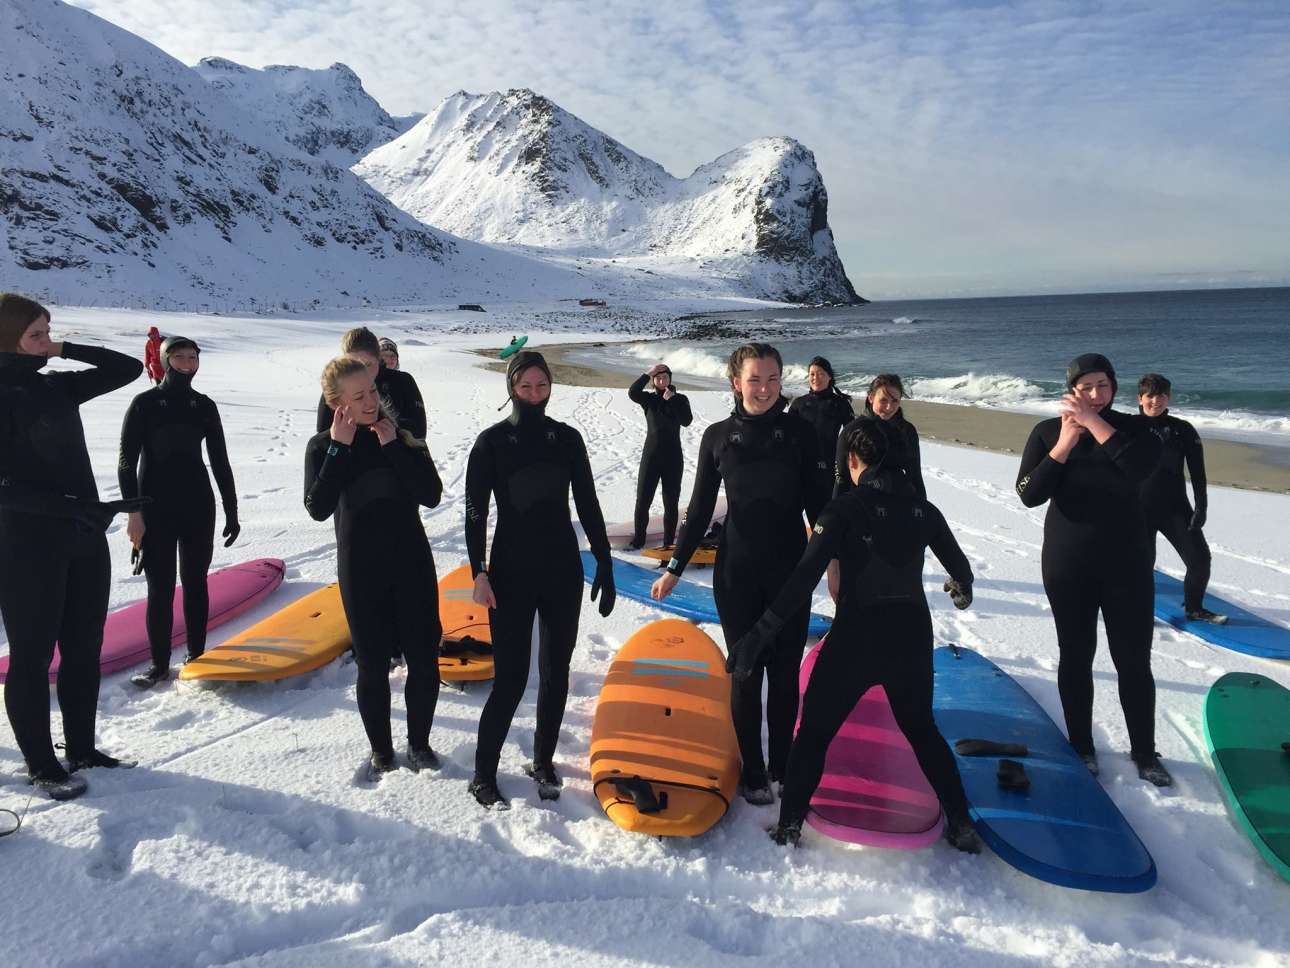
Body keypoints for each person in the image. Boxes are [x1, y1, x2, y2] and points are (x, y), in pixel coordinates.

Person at [730, 419, 981, 852]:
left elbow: (801, 581)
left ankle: (789, 828)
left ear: (851, 460)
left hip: (857, 637)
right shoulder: (925, 510)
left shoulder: (843, 510)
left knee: (814, 735)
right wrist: (961, 590)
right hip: (911, 638)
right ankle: (961, 824)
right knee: (922, 730)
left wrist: (757, 636)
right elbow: (962, 571)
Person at [651, 342, 828, 804]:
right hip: (736, 572)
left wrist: (834, 560)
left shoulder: (801, 434)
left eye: (772, 379)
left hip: (790, 572)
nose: (764, 388)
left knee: (785, 673)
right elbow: (698, 510)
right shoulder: (717, 437)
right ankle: (753, 769)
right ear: (736, 382)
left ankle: (782, 765)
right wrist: (675, 567)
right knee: (745, 672)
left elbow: (820, 509)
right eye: (754, 379)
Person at [0, 293, 146, 801]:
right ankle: (41, 765)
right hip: (26, 547)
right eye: (35, 334)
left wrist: (61, 347)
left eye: (49, 331)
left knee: (84, 649)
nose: (47, 341)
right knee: (32, 656)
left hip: (83, 536)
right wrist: (71, 507)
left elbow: (127, 368)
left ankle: (82, 749)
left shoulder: (56, 387)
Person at [464, 350, 616, 807]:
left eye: (542, 385)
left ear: (551, 386)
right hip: (510, 571)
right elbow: (475, 513)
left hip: (562, 569)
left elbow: (587, 502)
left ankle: (543, 760)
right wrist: (478, 572)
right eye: (525, 385)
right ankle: (482, 774)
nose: (534, 393)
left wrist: (604, 560)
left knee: (555, 673)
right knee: (510, 679)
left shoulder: (567, 439)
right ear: (511, 387)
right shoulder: (491, 442)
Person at [1016, 353, 1171, 786]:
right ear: (1071, 389)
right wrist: (1064, 444)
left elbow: (1137, 469)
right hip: (1068, 564)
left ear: (1115, 387)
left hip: (1128, 564)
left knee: (1133, 660)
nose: (1096, 394)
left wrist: (1093, 423)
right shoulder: (1047, 431)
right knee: (1076, 655)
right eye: (1085, 387)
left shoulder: (1138, 430)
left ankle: (1145, 753)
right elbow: (1028, 493)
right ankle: (1082, 747)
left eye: (1103, 385)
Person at [304, 356, 445, 781]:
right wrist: (339, 447)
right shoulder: (322, 446)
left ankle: (419, 745)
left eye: (372, 391)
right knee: (372, 663)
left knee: (424, 658)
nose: (370, 402)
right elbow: (317, 507)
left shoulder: (402, 436)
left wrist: (393, 447)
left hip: (411, 562)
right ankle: (382, 751)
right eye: (358, 396)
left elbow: (431, 494)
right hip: (361, 568)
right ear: (337, 403)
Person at [119, 337, 240, 687]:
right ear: (164, 360)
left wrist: (231, 509)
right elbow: (126, 464)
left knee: (196, 583)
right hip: (154, 508)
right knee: (160, 588)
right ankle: (158, 665)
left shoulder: (203, 405)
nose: (187, 363)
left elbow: (220, 461)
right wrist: (134, 514)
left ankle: (196, 656)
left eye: (192, 357)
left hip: (198, 504)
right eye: (179, 357)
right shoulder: (145, 404)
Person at [1137, 373, 1224, 624]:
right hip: (1136, 509)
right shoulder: (1127, 427)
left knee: (1200, 560)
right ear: (1140, 398)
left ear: (1169, 397)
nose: (1156, 401)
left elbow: (1197, 472)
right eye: (1150, 395)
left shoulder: (1182, 429)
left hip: (1175, 508)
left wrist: (1201, 506)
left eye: (1162, 395)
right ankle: (1138, 609)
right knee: (1142, 565)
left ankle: (1194, 608)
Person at [315, 327, 425, 439]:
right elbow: (321, 438)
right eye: (353, 364)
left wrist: (389, 435)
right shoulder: (336, 388)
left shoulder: (402, 381)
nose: (361, 371)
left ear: (378, 359)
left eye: (367, 364)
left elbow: (419, 433)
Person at [627, 362, 693, 549]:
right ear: (653, 381)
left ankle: (668, 544)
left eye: (665, 377)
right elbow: (632, 392)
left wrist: (671, 400)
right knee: (643, 500)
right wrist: (648, 373)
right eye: (658, 378)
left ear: (670, 378)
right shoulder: (648, 400)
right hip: (651, 457)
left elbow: (686, 421)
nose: (662, 380)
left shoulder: (680, 399)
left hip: (673, 458)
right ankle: (639, 540)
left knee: (671, 503)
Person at [836, 373, 924, 499]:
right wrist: (837, 508)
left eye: (895, 401)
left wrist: (921, 506)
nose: (889, 407)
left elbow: (916, 476)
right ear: (871, 397)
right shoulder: (851, 431)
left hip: (898, 503)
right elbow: (841, 479)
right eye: (883, 400)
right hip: (862, 504)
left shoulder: (907, 431)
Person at [787, 356, 854, 499]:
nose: (815, 378)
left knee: (828, 507)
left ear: (829, 377)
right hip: (802, 465)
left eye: (820, 374)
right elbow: (788, 436)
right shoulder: (799, 404)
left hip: (830, 466)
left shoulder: (840, 404)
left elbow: (853, 435)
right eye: (812, 374)